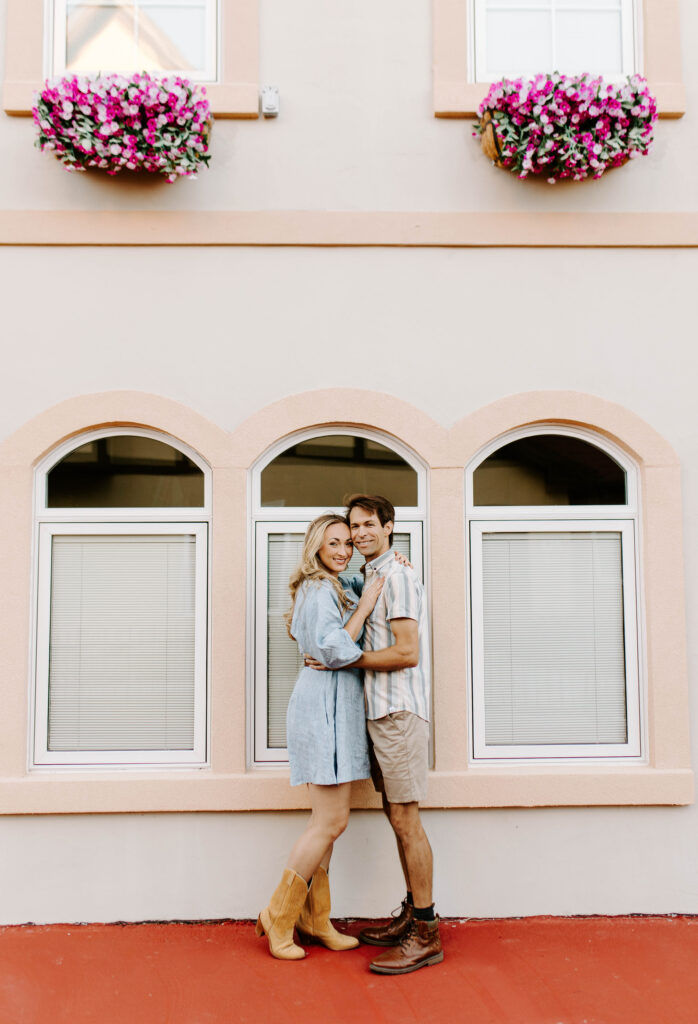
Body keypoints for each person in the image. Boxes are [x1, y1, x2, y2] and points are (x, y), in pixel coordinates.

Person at [306, 494, 442, 974]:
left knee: (407, 822)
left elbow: (407, 653)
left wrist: (345, 658)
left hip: (399, 713)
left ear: (389, 526)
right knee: (396, 818)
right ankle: (412, 915)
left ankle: (425, 932)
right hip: (379, 715)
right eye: (353, 527)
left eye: (368, 525)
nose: (360, 533)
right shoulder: (370, 575)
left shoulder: (399, 577)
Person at [255, 513, 385, 961]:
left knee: (328, 823)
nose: (344, 550)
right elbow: (333, 651)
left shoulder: (338, 585)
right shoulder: (317, 589)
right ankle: (278, 915)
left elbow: (336, 646)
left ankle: (316, 919)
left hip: (337, 709)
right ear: (316, 547)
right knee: (330, 822)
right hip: (323, 709)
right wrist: (364, 607)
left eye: (348, 542)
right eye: (334, 543)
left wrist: (387, 564)